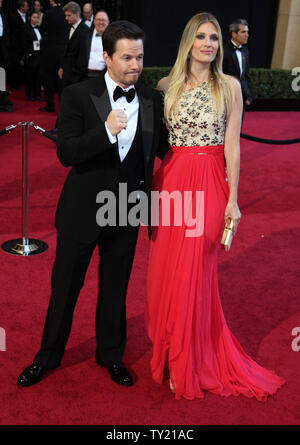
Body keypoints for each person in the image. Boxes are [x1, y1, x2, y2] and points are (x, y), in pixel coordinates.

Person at [17, 20, 169, 388]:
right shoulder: (78, 94)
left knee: (115, 290)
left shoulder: (151, 99)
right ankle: (47, 356)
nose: (136, 65)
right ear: (107, 57)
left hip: (128, 209)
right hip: (83, 210)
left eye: (140, 57)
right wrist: (105, 131)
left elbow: (164, 151)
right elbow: (66, 152)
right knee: (65, 288)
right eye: (128, 57)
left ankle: (111, 355)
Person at [146, 12, 285, 401]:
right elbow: (153, 145)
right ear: (188, 41)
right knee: (165, 272)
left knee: (193, 272)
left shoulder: (230, 87)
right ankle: (172, 350)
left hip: (208, 184)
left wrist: (234, 200)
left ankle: (189, 360)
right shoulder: (164, 86)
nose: (209, 43)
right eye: (202, 36)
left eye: (215, 38)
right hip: (169, 185)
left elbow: (233, 147)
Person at [39, 0, 68, 113]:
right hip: (63, 50)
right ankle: (62, 107)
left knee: (48, 79)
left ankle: (50, 105)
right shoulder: (65, 12)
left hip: (50, 50)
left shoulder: (48, 13)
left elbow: (42, 30)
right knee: (61, 80)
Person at [58, 1, 90, 88]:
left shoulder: (85, 31)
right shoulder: (68, 27)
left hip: (76, 78)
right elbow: (66, 50)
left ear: (77, 15)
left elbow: (84, 57)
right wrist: (62, 67)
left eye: (68, 15)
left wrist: (74, 76)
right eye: (66, 15)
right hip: (66, 73)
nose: (66, 18)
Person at [223, 18, 252, 111]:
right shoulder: (223, 51)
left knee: (239, 125)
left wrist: (248, 96)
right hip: (226, 97)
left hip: (241, 97)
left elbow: (245, 76)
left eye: (247, 32)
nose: (247, 35)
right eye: (243, 32)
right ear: (234, 34)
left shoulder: (246, 51)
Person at [7, 0, 29, 89]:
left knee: (21, 65)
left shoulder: (27, 16)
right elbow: (10, 32)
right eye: (26, 6)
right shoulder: (13, 17)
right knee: (14, 65)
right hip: (15, 46)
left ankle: (19, 82)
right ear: (21, 7)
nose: (28, 8)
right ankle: (13, 83)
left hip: (24, 45)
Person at [24, 11, 42, 101]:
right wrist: (28, 54)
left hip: (39, 56)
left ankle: (37, 95)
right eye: (34, 17)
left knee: (38, 76)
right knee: (30, 77)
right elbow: (23, 43)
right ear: (30, 18)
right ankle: (30, 95)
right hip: (31, 56)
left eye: (37, 17)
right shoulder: (26, 28)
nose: (36, 19)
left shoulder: (39, 28)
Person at [86, 9, 109, 78]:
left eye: (103, 20)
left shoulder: (112, 38)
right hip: (86, 75)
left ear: (108, 22)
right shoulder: (85, 35)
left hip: (104, 75)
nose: (101, 22)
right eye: (98, 20)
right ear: (94, 21)